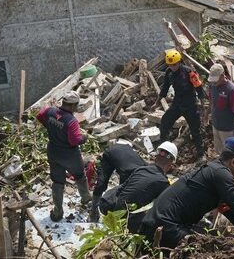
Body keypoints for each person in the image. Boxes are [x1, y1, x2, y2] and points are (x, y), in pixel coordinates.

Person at [37, 91, 92, 221]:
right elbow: (74, 140)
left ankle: (57, 212)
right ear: (73, 106)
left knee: (57, 182)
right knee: (80, 176)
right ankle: (86, 200)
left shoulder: (50, 111)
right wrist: (84, 137)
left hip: (53, 151)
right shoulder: (71, 121)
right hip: (70, 155)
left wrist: (49, 127)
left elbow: (39, 116)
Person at [98, 142, 177, 232]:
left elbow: (123, 190)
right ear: (170, 164)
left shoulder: (141, 169)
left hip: (106, 202)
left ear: (155, 157)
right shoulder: (163, 183)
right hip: (120, 215)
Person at [157, 49, 206, 156]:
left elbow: (199, 88)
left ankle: (201, 154)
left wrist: (202, 106)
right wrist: (157, 102)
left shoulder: (189, 72)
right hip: (177, 103)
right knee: (165, 122)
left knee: (195, 130)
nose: (172, 67)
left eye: (174, 64)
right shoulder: (169, 72)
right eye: (170, 65)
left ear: (179, 62)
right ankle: (163, 149)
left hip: (190, 105)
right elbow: (165, 88)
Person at [88, 139, 146, 222]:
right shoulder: (131, 174)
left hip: (127, 154)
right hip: (111, 155)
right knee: (101, 184)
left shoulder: (145, 169)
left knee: (125, 196)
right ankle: (93, 210)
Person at [204, 64, 234, 154]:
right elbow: (211, 101)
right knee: (219, 151)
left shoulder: (231, 90)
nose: (214, 82)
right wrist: (206, 114)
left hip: (228, 129)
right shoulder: (212, 86)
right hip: (216, 125)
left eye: (216, 80)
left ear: (222, 76)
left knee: (229, 153)